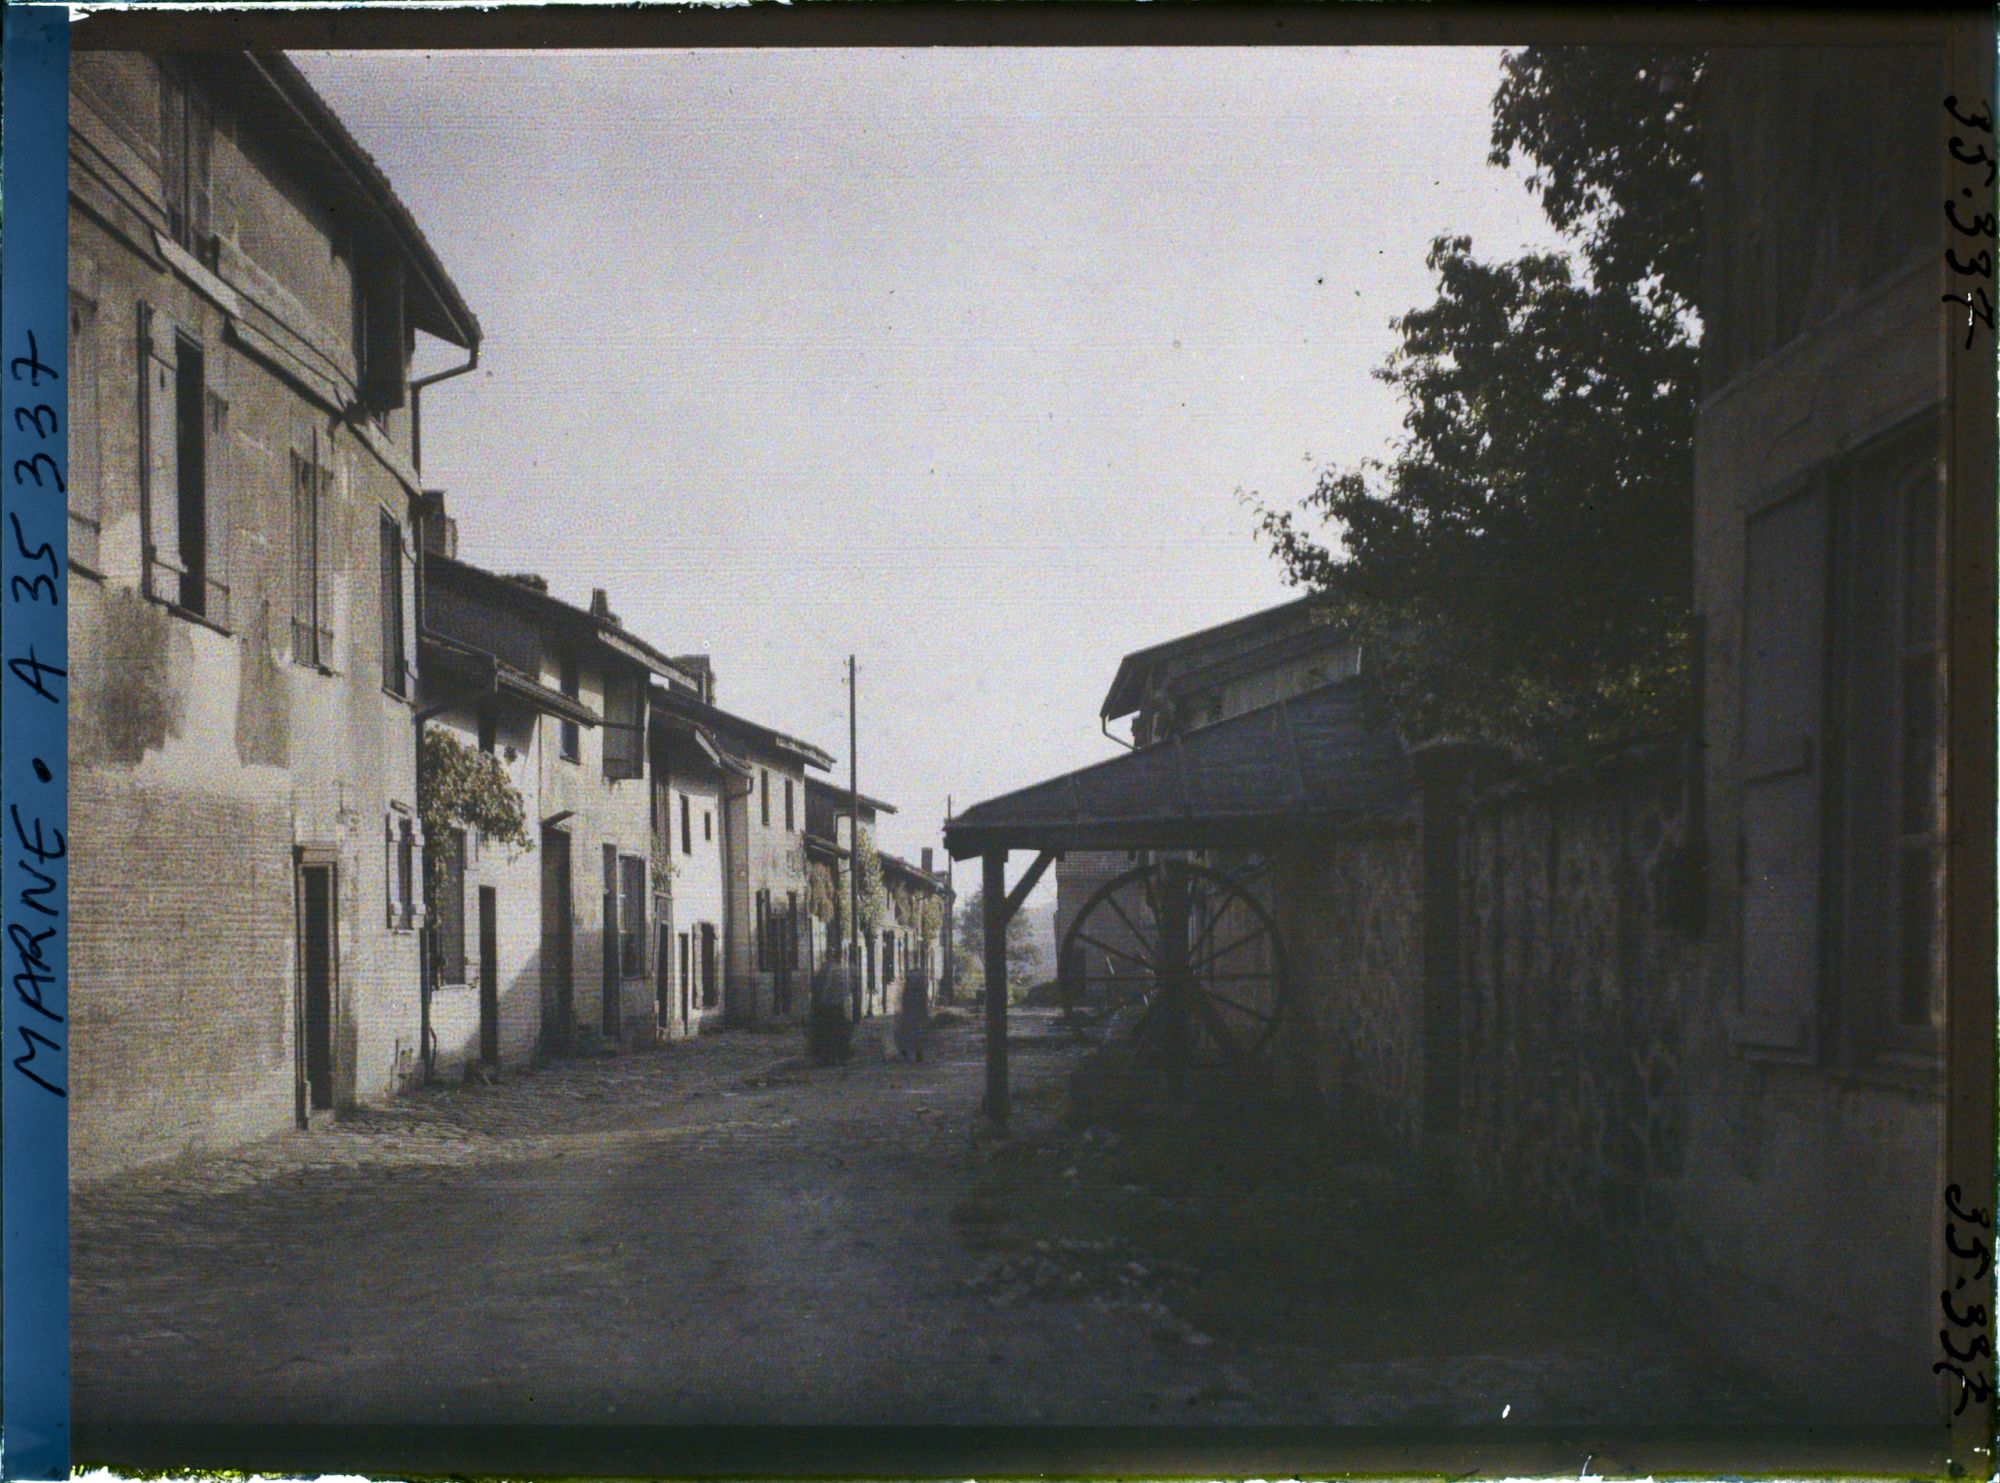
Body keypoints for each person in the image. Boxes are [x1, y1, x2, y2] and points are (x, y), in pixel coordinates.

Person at [893, 966, 931, 1063]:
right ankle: (916, 1054)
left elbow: (904, 1001)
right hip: (915, 1015)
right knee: (916, 1034)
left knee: (909, 1033)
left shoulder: (908, 988)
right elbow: (923, 1002)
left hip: (911, 1014)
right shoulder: (919, 988)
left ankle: (909, 1052)